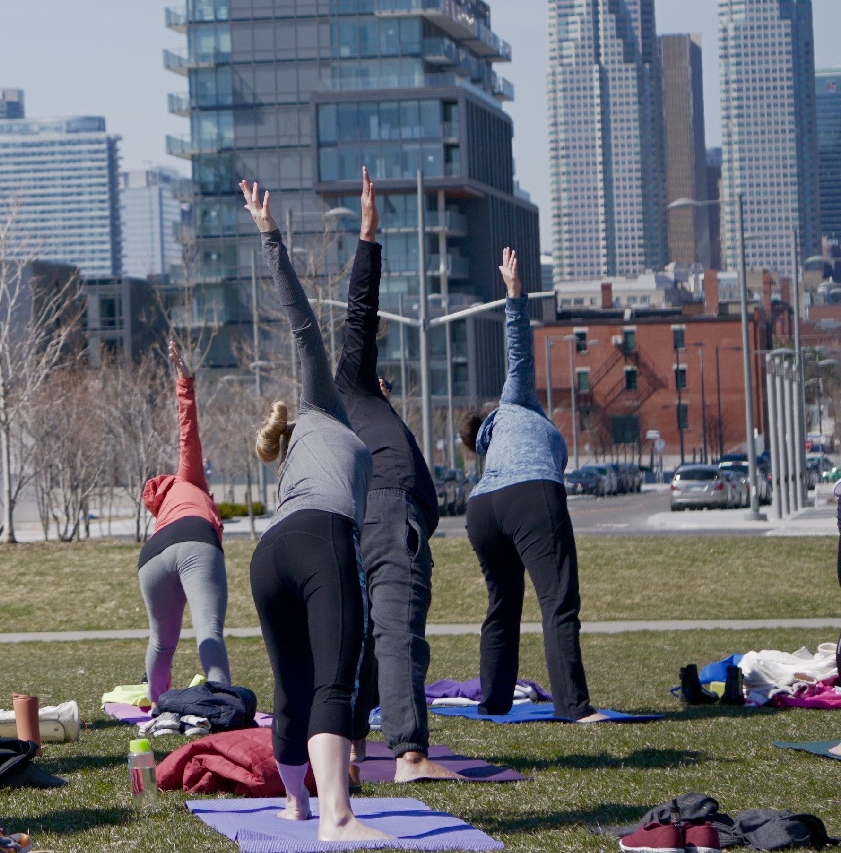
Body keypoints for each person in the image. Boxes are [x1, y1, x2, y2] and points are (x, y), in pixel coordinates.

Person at [240, 179, 387, 842]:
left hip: (270, 554)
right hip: (322, 537)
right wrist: (271, 236)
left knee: (291, 683)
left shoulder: (301, 448)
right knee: (334, 678)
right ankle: (338, 817)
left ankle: (297, 804)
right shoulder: (323, 406)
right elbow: (307, 323)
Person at [336, 171, 457, 783]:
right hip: (385, 516)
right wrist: (368, 235)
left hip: (376, 518)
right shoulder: (349, 386)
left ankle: (356, 749)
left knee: (368, 638)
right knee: (399, 630)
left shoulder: (365, 410)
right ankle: (408, 755)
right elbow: (360, 315)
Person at [461, 247, 615, 723]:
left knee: (503, 605)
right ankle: (573, 707)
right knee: (558, 601)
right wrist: (514, 296)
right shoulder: (515, 403)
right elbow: (518, 352)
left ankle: (494, 702)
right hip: (531, 495)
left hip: (482, 510)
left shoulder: (490, 447)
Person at [137, 338, 230, 698]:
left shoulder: (162, 514)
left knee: (161, 641)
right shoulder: (187, 479)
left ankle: (159, 707)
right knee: (208, 629)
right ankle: (223, 705)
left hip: (152, 555)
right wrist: (185, 382)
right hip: (194, 539)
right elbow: (187, 434)